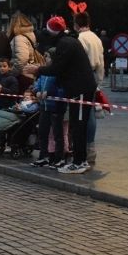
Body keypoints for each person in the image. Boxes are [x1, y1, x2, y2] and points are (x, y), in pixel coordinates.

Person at [30, 16, 97, 174]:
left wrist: (37, 70)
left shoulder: (64, 44)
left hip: (80, 89)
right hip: (79, 88)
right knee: (76, 124)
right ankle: (79, 160)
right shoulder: (68, 41)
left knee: (79, 125)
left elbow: (58, 68)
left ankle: (80, 162)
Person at [74, 11, 105, 164]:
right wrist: (99, 81)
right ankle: (91, 147)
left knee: (83, 114)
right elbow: (101, 60)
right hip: (94, 77)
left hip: (84, 76)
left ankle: (84, 147)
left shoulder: (80, 38)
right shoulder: (96, 38)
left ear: (76, 24)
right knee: (91, 111)